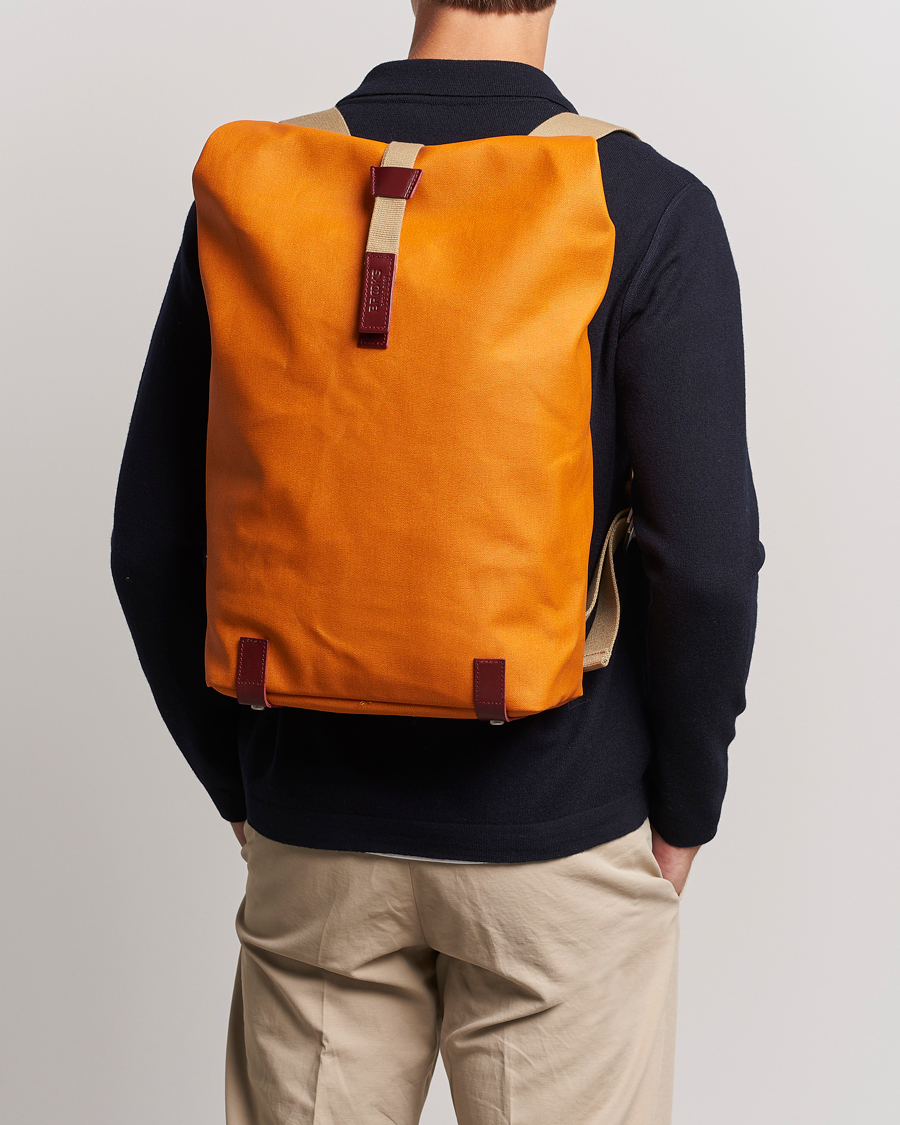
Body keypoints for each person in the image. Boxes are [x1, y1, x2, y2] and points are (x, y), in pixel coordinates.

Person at [112, 1, 763, 1121]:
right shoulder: (646, 202)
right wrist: (685, 810)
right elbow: (704, 560)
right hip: (558, 838)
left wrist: (245, 784)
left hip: (314, 831)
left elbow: (153, 541)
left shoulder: (256, 191)